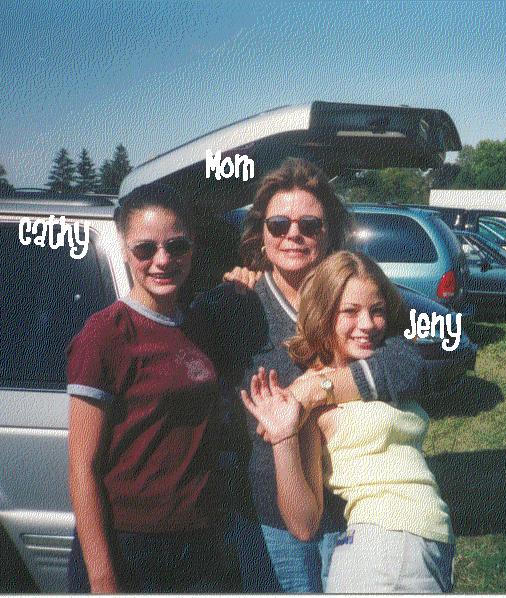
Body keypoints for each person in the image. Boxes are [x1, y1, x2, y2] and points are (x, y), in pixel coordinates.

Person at [192, 158, 427, 592]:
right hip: (268, 514)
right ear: (261, 234)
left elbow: (409, 362)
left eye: (310, 225)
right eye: (278, 224)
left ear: (329, 231)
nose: (293, 235)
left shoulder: (353, 290)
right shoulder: (237, 303)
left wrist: (316, 389)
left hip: (353, 508)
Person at [242, 251, 454, 593]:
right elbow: (304, 523)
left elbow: (426, 359)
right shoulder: (308, 397)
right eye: (350, 312)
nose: (367, 324)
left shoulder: (379, 366)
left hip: (424, 542)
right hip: (383, 548)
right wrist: (284, 438)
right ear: (324, 314)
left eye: (377, 310)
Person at [65, 183, 240, 592]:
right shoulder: (105, 334)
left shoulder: (199, 326)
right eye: (145, 249)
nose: (162, 260)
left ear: (192, 248)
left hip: (197, 544)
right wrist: (102, 576)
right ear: (125, 250)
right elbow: (81, 467)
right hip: (128, 546)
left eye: (176, 246)